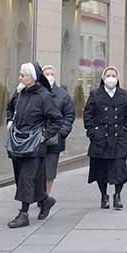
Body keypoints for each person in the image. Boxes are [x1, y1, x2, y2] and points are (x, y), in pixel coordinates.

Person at [4, 62, 63, 228]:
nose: (20, 78)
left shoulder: (44, 96)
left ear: (33, 77)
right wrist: (9, 121)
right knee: (21, 178)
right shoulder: (19, 93)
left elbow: (56, 119)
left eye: (23, 75)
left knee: (26, 178)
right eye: (20, 75)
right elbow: (9, 109)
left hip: (35, 145)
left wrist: (44, 135)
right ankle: (45, 200)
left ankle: (23, 214)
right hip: (17, 142)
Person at [84, 66, 127, 210]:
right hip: (100, 137)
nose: (111, 78)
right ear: (103, 78)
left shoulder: (124, 94)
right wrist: (92, 132)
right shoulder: (95, 94)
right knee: (101, 169)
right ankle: (104, 195)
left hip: (119, 137)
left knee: (120, 168)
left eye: (113, 76)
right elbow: (88, 114)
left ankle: (117, 195)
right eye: (108, 75)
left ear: (117, 78)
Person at [41, 64, 75, 211]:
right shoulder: (37, 92)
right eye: (46, 74)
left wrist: (62, 132)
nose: (49, 76)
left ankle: (46, 197)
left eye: (51, 73)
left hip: (54, 139)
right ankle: (40, 194)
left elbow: (69, 115)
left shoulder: (63, 95)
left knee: (50, 170)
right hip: (37, 138)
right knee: (36, 169)